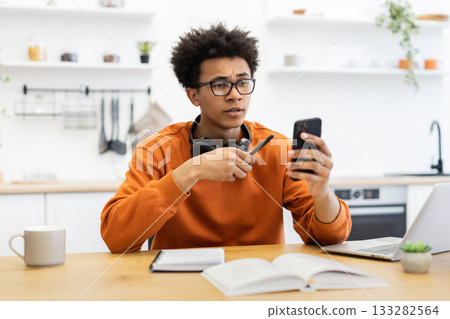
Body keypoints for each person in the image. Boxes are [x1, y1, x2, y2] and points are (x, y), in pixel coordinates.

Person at [101, 23, 351, 253]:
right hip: (181, 287)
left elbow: (330, 238)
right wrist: (190, 172)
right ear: (193, 96)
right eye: (220, 85)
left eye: (243, 83)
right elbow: (116, 237)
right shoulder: (157, 149)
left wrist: (322, 193)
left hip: (259, 283)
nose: (235, 95)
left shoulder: (278, 149)